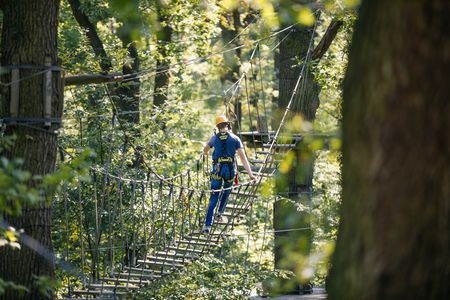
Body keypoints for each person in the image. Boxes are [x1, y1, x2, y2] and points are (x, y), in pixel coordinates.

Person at [202, 115, 256, 234]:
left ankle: (207, 226)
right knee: (226, 191)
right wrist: (251, 175)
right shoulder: (235, 139)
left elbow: (205, 149)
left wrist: (206, 153)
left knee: (214, 197)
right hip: (230, 170)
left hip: (217, 170)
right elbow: (243, 158)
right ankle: (220, 213)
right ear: (228, 125)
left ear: (217, 127)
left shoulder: (214, 138)